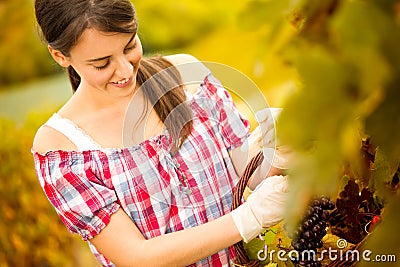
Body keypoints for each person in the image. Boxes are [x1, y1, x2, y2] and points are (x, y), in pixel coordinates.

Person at [31, 0, 289, 266]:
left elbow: (245, 172)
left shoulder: (185, 76)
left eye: (130, 46)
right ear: (60, 56)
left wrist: (277, 152)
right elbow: (137, 257)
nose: (126, 70)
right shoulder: (62, 146)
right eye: (102, 63)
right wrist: (246, 219)